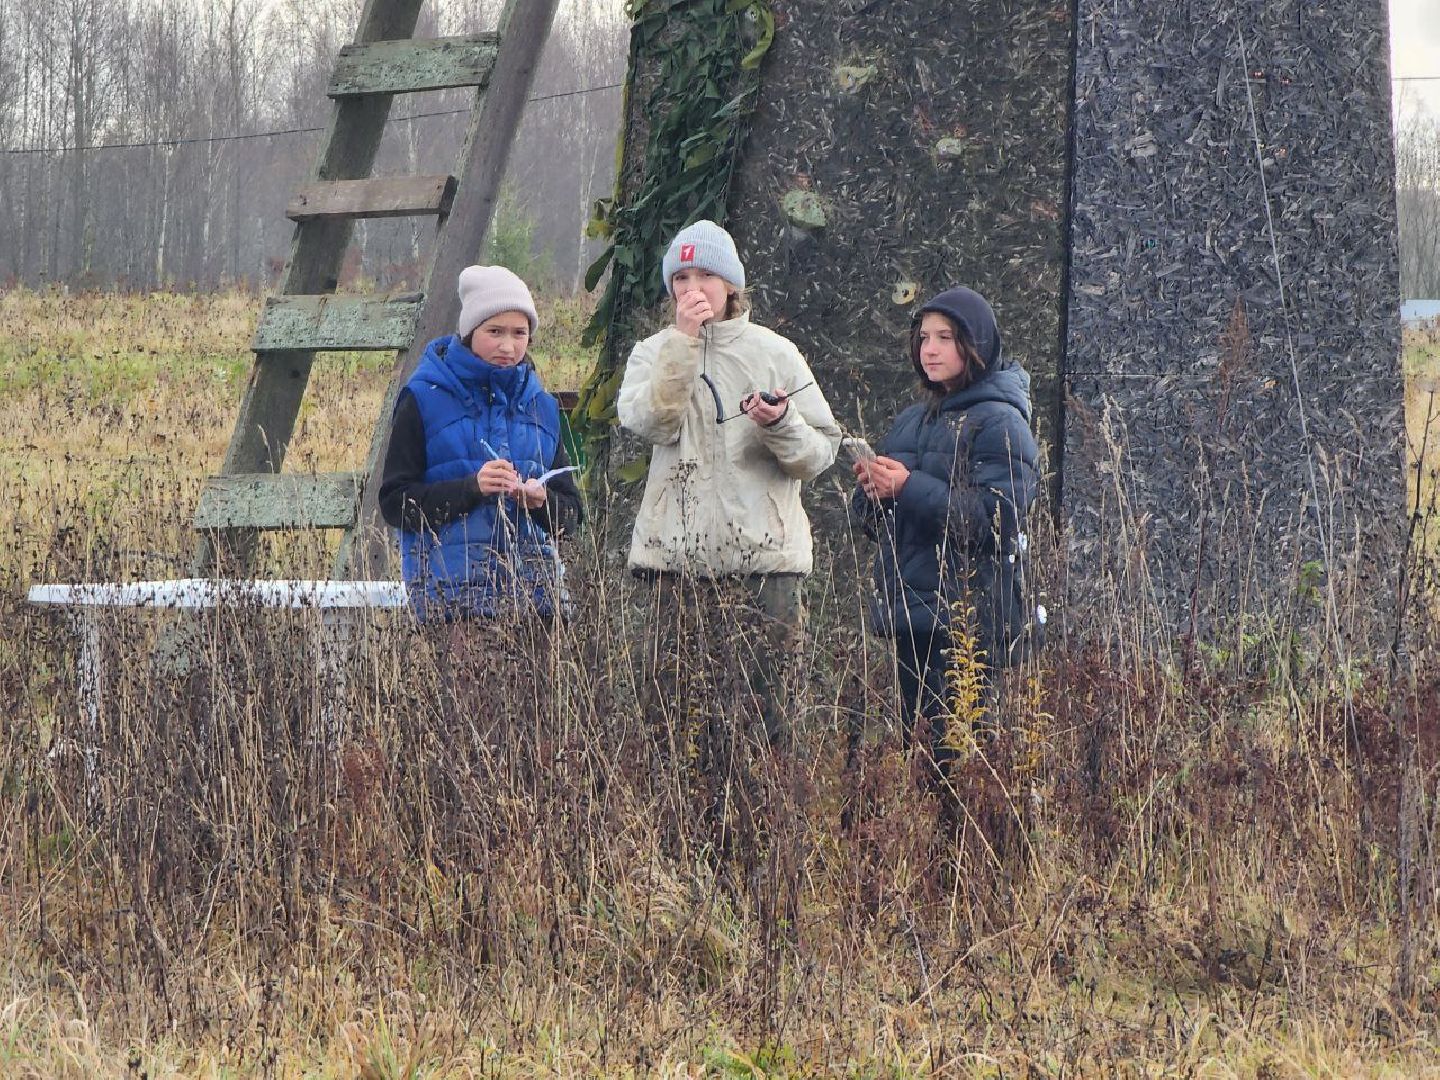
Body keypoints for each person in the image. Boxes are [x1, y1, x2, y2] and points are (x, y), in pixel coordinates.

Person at [617, 219, 842, 752]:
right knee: (672, 730)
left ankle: (761, 833)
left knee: (767, 728)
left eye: (706, 276)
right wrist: (682, 344)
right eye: (681, 278)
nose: (693, 289)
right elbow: (653, 423)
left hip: (764, 570)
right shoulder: (652, 353)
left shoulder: (776, 352)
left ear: (732, 286)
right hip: (674, 568)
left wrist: (780, 423)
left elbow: (819, 454)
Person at [851, 286, 1040, 794]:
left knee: (968, 764)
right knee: (924, 767)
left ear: (974, 345)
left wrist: (908, 487)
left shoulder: (1001, 420)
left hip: (969, 621)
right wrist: (872, 494)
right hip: (911, 615)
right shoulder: (912, 421)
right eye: (923, 338)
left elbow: (997, 517)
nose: (929, 350)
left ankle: (977, 864)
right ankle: (937, 870)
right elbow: (874, 526)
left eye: (945, 338)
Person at [380, 264, 582, 622]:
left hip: (539, 609)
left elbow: (571, 518)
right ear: (469, 332)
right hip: (453, 609)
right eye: (494, 331)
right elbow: (396, 504)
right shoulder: (423, 399)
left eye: (520, 332)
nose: (508, 346)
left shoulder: (544, 408)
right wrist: (472, 488)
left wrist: (540, 502)